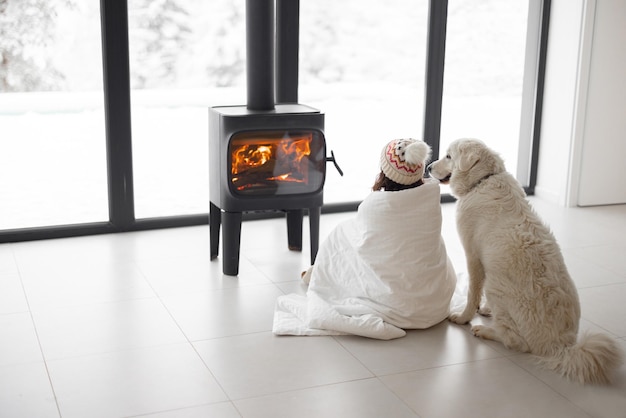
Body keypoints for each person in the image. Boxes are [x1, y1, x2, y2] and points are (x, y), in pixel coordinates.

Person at [273, 139, 457, 340]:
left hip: (398, 304)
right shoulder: (430, 198)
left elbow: (361, 242)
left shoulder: (374, 205)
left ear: (385, 173)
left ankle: (317, 273)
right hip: (434, 304)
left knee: (340, 235)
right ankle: (315, 272)